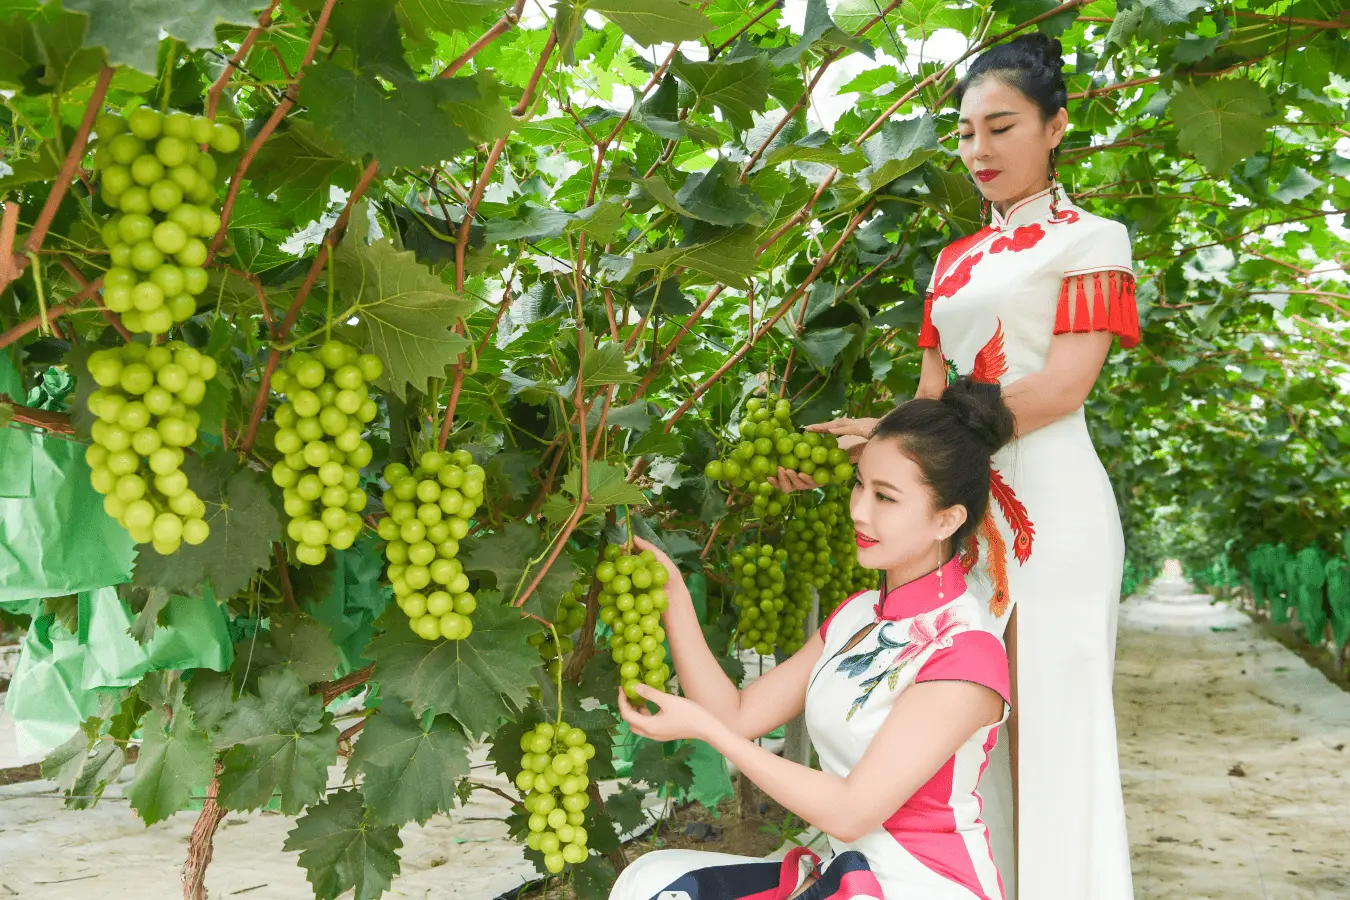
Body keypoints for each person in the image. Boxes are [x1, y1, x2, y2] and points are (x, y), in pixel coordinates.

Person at [769, 33, 1138, 900]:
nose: (978, 151)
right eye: (966, 133)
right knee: (955, 727)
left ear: (1055, 125)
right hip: (964, 510)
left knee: (1055, 726)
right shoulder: (951, 262)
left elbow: (1060, 387)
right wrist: (869, 452)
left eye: (1000, 127)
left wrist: (923, 436)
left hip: (1056, 511)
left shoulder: (1094, 238)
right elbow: (930, 397)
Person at [611, 378, 1017, 900]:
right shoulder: (857, 616)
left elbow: (850, 811)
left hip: (921, 886)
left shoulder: (966, 651)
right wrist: (672, 593)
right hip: (845, 873)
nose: (858, 511)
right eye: (859, 485)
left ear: (947, 519)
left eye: (885, 497)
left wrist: (714, 736)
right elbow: (736, 711)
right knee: (652, 883)